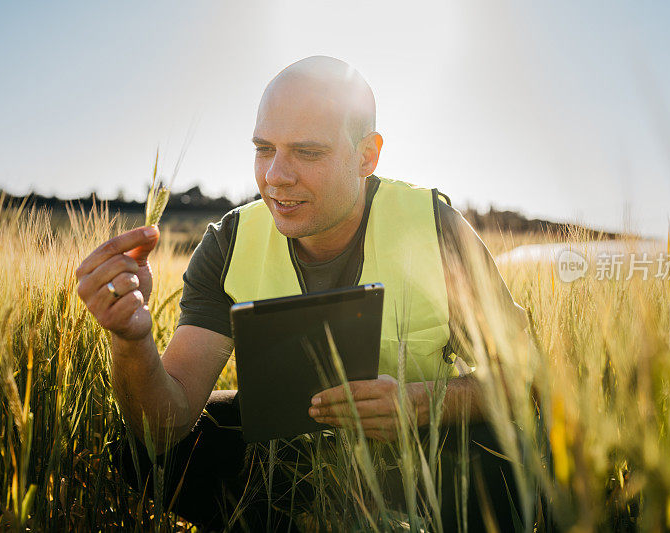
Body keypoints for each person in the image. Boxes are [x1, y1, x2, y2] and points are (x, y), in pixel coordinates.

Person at [75, 56, 530, 531]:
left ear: (366, 156)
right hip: (287, 456)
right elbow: (165, 423)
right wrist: (130, 339)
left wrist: (418, 404)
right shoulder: (229, 241)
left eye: (307, 152)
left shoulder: (434, 228)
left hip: (418, 447)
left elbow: (525, 380)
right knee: (144, 453)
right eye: (263, 148)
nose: (275, 176)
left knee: (503, 463)